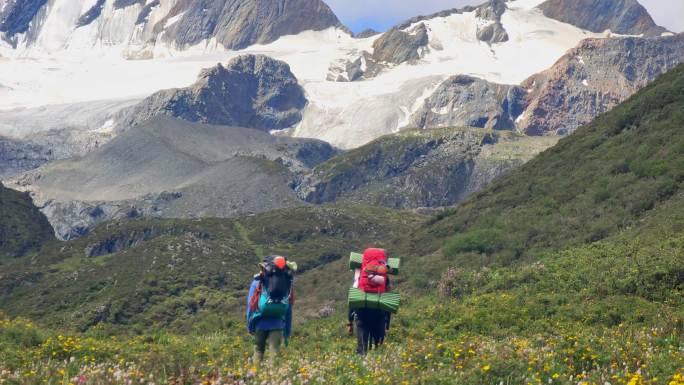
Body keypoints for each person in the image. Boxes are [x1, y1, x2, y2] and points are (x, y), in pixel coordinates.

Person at [246, 256, 295, 365]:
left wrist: (249, 325)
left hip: (259, 322)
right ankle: (274, 378)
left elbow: (251, 306)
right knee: (274, 354)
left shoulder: (257, 282)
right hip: (277, 324)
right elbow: (288, 308)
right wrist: (287, 331)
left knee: (258, 350)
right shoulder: (287, 283)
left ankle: (256, 376)